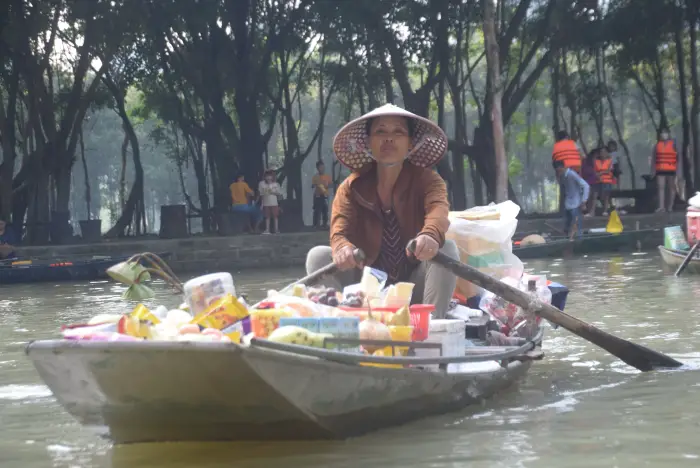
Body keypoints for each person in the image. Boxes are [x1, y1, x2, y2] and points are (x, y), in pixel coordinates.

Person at [304, 103, 459, 318]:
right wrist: (343, 248)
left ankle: (432, 327)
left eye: (398, 132)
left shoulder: (429, 181)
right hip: (366, 292)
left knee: (447, 249)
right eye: (380, 132)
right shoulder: (351, 187)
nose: (389, 139)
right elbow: (339, 230)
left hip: (414, 288)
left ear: (410, 143)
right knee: (317, 257)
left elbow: (438, 211)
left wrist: (429, 235)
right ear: (368, 143)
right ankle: (346, 327)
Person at [554, 160, 590, 239]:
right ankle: (567, 240)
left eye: (559, 170)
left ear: (563, 167)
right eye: (557, 171)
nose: (559, 172)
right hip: (568, 204)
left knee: (577, 225)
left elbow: (585, 186)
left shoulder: (572, 174)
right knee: (566, 225)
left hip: (576, 204)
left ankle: (579, 241)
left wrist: (584, 201)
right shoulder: (562, 176)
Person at [651, 127, 678, 212]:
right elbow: (653, 159)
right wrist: (653, 171)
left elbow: (679, 157)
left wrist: (679, 171)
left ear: (669, 134)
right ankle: (661, 207)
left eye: (665, 133)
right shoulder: (657, 145)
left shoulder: (674, 144)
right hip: (660, 169)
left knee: (671, 187)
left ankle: (670, 206)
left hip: (671, 169)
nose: (664, 135)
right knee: (661, 187)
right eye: (662, 133)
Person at [587, 147, 613, 217]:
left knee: (606, 196)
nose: (603, 153)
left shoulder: (610, 161)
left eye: (604, 152)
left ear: (607, 153)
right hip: (598, 180)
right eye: (601, 152)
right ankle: (592, 212)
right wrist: (598, 176)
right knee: (594, 196)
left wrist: (601, 173)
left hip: (607, 180)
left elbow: (609, 170)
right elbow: (595, 171)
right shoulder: (596, 161)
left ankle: (605, 211)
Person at [258, 169, 283, 235]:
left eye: (270, 176)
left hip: (274, 203)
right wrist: (262, 204)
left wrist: (272, 192)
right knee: (267, 217)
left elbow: (279, 193)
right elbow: (261, 194)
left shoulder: (276, 184)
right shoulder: (261, 184)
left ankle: (276, 230)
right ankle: (267, 230)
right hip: (266, 203)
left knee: (275, 216)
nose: (268, 178)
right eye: (267, 176)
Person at [311, 160, 332, 229]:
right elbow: (312, 185)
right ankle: (316, 225)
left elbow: (330, 185)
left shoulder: (327, 177)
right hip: (317, 196)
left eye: (323, 167)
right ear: (317, 168)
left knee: (325, 210)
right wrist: (316, 185)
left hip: (325, 196)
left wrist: (327, 185)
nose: (322, 169)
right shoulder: (315, 177)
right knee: (317, 210)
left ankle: (325, 224)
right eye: (320, 167)